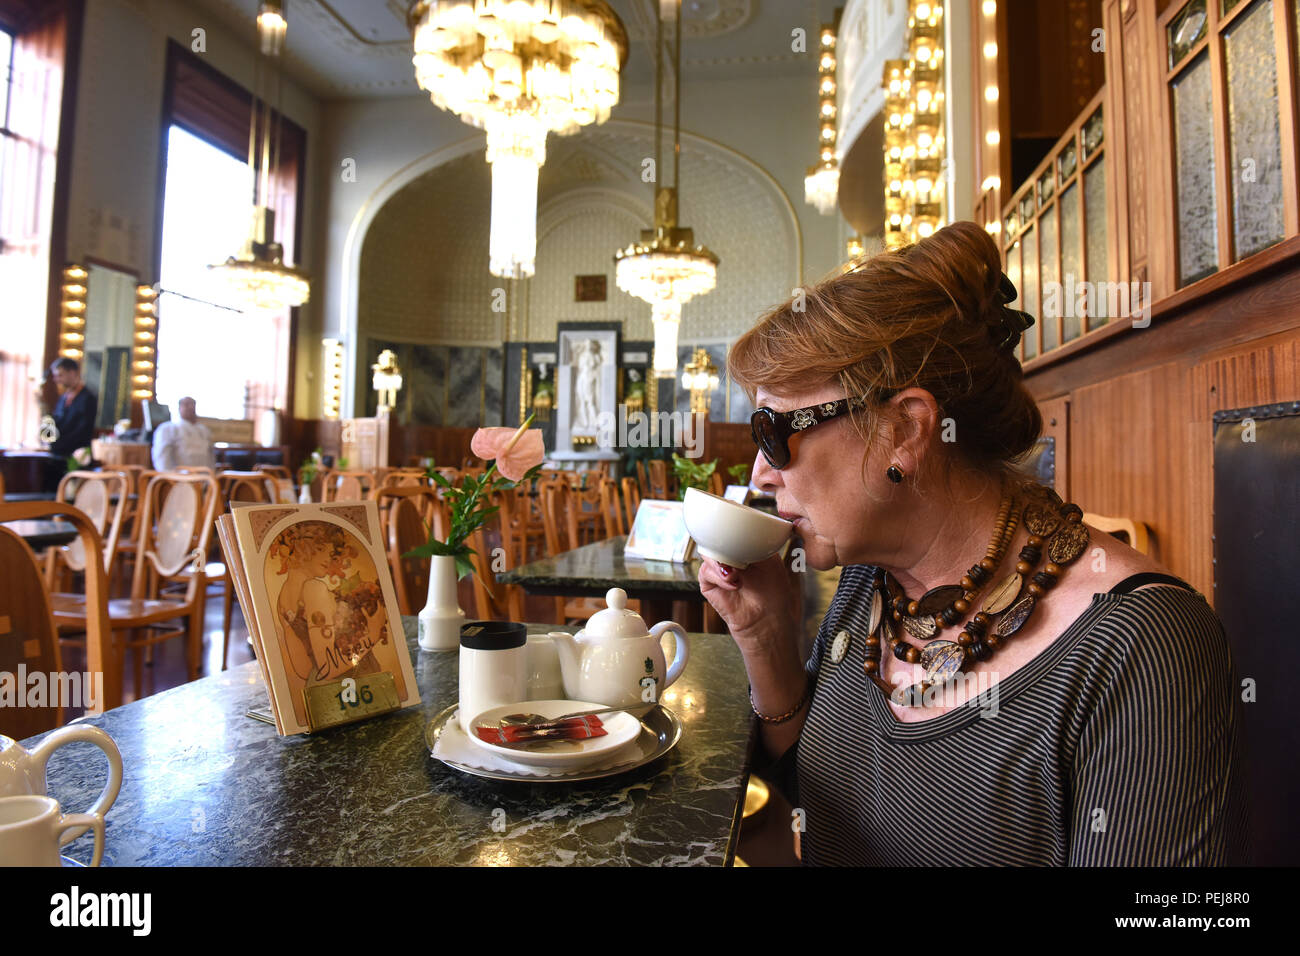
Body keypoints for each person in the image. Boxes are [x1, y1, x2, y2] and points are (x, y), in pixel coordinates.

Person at [700, 221, 1248, 866]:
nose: (761, 472)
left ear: (906, 428)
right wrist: (765, 637)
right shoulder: (872, 583)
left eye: (773, 430)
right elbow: (818, 801)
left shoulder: (1143, 644)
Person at [48, 357, 97, 460]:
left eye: (60, 375)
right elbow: (57, 423)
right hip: (59, 453)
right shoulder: (63, 398)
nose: (56, 380)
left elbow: (82, 431)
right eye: (55, 376)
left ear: (72, 372)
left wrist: (58, 444)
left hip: (77, 456)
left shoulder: (88, 398)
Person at [151, 396, 215, 472]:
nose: (190, 407)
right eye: (186, 404)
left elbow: (211, 457)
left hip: (205, 478)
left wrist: (211, 475)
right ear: (179, 408)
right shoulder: (168, 429)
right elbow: (162, 458)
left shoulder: (204, 430)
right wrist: (170, 477)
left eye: (193, 404)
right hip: (178, 479)